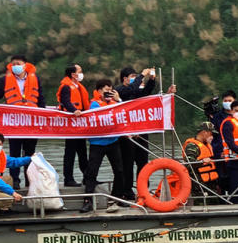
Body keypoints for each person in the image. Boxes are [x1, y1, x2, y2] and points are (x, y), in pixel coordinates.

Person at [0, 55, 45, 189]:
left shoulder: (35, 79)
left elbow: (41, 100)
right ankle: (15, 181)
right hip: (14, 123)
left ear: (25, 65)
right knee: (14, 153)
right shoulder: (5, 79)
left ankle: (30, 180)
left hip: (31, 123)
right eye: (13, 64)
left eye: (18, 63)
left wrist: (45, 116)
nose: (16, 66)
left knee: (30, 153)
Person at [115, 66, 176, 201]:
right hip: (127, 134)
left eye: (136, 76)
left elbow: (146, 93)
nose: (136, 79)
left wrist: (152, 80)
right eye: (132, 76)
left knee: (143, 163)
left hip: (141, 132)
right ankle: (127, 191)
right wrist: (142, 75)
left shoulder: (136, 91)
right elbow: (131, 90)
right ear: (125, 78)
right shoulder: (120, 91)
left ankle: (143, 190)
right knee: (127, 164)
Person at [81, 79, 125, 213]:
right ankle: (87, 201)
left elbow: (125, 112)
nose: (109, 93)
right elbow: (99, 116)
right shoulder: (94, 104)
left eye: (111, 90)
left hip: (113, 142)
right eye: (106, 90)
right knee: (92, 172)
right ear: (99, 91)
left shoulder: (115, 103)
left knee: (119, 170)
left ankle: (116, 198)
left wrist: (118, 100)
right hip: (97, 143)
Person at [56, 63, 90, 187]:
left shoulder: (79, 87)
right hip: (70, 124)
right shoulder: (66, 87)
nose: (81, 74)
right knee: (70, 152)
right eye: (79, 71)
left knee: (82, 152)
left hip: (80, 124)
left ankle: (87, 177)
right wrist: (74, 110)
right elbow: (65, 101)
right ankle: (68, 179)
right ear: (73, 74)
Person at [183, 122, 219, 197]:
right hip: (199, 186)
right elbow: (188, 164)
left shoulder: (208, 145)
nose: (212, 137)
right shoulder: (192, 146)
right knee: (201, 202)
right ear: (204, 132)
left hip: (211, 184)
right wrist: (202, 162)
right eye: (211, 134)